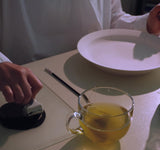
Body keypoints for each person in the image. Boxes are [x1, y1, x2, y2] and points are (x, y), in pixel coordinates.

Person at [0, 0, 160, 104]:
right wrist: (2, 64)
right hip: (26, 88)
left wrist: (145, 25)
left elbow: (112, 18)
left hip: (98, 84)